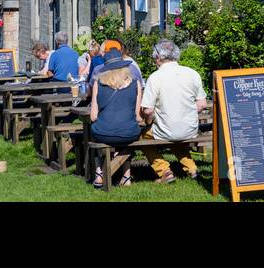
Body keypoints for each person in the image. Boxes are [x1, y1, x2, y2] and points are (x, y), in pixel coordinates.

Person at [140, 40, 207, 183]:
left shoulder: (155, 77)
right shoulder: (192, 73)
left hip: (166, 130)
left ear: (158, 57)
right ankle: (192, 169)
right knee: (176, 136)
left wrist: (151, 120)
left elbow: (147, 110)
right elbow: (202, 104)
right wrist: (185, 112)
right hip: (190, 129)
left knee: (142, 138)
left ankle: (164, 170)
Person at [89, 48, 143, 188]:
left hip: (103, 132)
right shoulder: (135, 83)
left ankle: (99, 173)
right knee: (124, 133)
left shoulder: (98, 83)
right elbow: (137, 117)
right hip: (129, 133)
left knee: (95, 131)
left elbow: (93, 116)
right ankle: (126, 176)